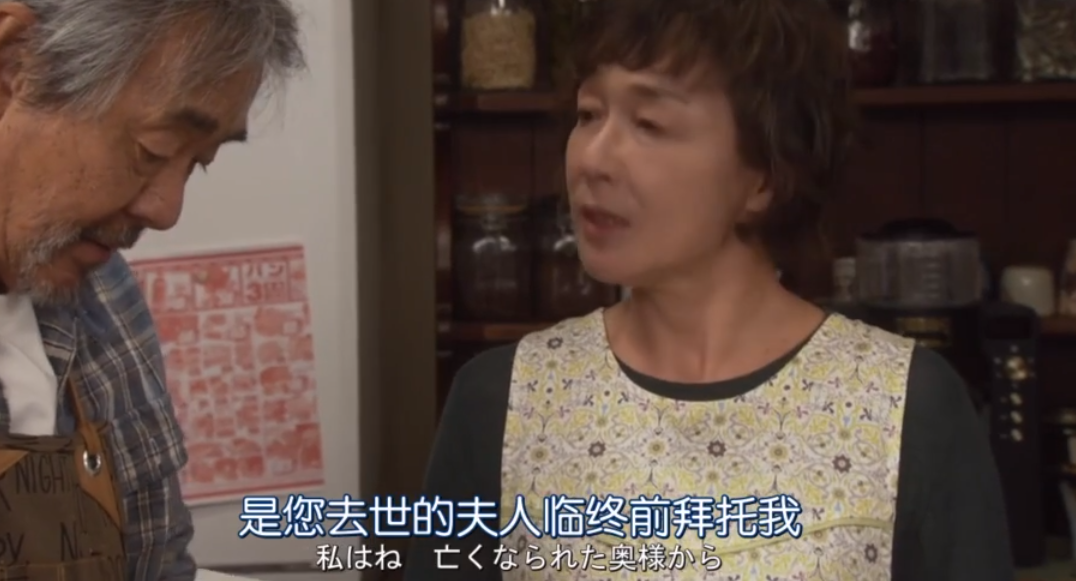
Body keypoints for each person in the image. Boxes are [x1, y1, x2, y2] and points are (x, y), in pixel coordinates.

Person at [406, 0, 1014, 579]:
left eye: (649, 123)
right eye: (588, 114)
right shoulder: (502, 403)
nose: (593, 159)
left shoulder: (908, 409)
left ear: (765, 176)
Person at [0, 0, 304, 579]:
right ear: (15, 64)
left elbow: (159, 560)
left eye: (198, 163)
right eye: (154, 150)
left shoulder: (103, 296)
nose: (166, 211)